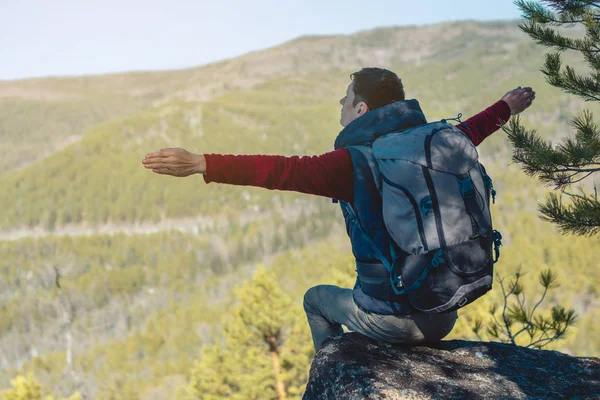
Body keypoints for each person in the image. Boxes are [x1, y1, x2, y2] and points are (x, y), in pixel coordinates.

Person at [142, 67, 536, 352]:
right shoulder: (440, 140)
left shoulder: (352, 163)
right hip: (447, 307)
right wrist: (507, 104)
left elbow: (280, 170)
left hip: (393, 318)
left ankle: (335, 367)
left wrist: (202, 163)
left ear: (361, 109)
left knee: (315, 300)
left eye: (345, 100)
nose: (341, 106)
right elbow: (479, 127)